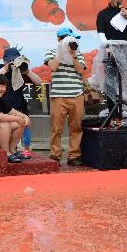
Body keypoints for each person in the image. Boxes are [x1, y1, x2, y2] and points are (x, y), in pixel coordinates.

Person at [44, 28, 88, 166]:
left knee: (76, 127)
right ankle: (55, 155)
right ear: (59, 39)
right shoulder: (51, 52)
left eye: (72, 39)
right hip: (58, 96)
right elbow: (53, 67)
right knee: (56, 128)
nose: (70, 42)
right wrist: (61, 52)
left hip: (77, 95)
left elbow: (80, 70)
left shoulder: (78, 53)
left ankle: (74, 155)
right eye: (67, 39)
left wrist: (73, 55)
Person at [0, 47, 41, 156]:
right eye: (10, 61)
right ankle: (6, 152)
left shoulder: (21, 70)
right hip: (1, 106)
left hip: (18, 105)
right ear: (4, 60)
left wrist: (27, 71)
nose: (13, 63)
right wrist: (6, 69)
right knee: (5, 126)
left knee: (23, 125)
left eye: (15, 60)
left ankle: (23, 150)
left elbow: (38, 82)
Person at [0, 73, 31, 163]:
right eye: (1, 86)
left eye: (5, 87)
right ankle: (6, 153)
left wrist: (25, 117)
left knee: (18, 124)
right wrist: (17, 118)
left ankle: (12, 150)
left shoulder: (0, 100)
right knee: (5, 124)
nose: (4, 89)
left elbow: (14, 112)